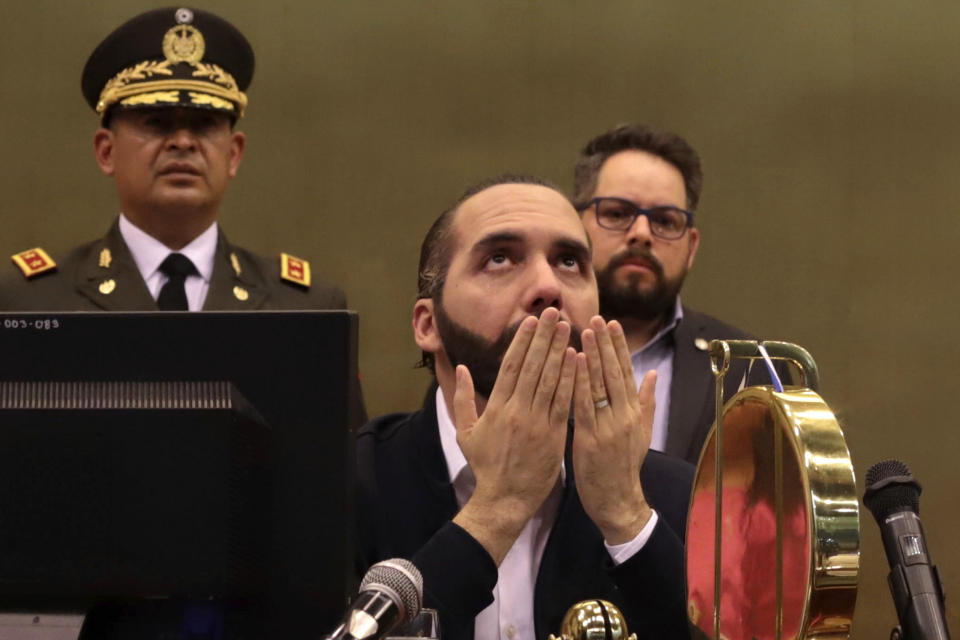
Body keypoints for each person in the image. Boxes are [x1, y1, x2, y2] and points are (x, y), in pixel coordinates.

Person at [357, 175, 694, 640]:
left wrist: (625, 517)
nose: (547, 286)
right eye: (499, 259)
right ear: (428, 324)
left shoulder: (675, 499)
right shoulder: (346, 487)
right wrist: (497, 509)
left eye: (570, 262)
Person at [0, 7, 344, 311]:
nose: (182, 142)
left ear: (234, 154)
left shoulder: (305, 306)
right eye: (157, 123)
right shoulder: (28, 302)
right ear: (107, 152)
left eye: (204, 125)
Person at [573, 124, 784, 464]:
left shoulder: (749, 371)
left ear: (691, 247)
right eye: (616, 213)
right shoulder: (522, 345)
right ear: (575, 226)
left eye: (665, 221)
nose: (641, 234)